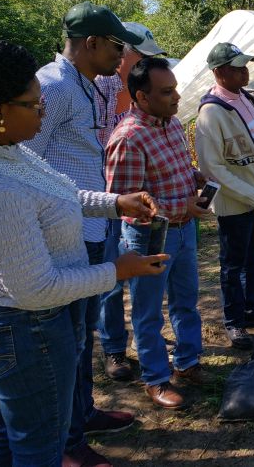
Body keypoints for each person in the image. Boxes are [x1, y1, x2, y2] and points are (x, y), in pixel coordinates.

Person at [0, 40, 168, 466]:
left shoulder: (12, 153)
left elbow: (61, 192)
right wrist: (117, 271)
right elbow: (37, 289)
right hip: (30, 328)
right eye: (33, 105)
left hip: (24, 327)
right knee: (38, 446)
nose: (42, 112)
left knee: (7, 435)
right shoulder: (3, 188)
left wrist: (114, 202)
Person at [22, 1, 145, 467]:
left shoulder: (86, 86)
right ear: (91, 43)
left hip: (95, 223)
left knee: (82, 334)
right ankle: (69, 443)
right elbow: (25, 163)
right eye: (117, 46)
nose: (121, 55)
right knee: (67, 342)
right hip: (66, 233)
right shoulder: (52, 87)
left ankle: (83, 414)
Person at [105, 57, 209, 409]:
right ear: (142, 97)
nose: (177, 96)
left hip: (184, 230)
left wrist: (193, 176)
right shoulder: (128, 139)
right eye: (167, 92)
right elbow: (125, 205)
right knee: (148, 312)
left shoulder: (172, 123)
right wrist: (183, 207)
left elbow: (177, 165)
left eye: (175, 88)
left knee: (186, 300)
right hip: (149, 237)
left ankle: (187, 361)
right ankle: (155, 378)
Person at [195, 42, 254, 351]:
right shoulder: (210, 113)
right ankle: (234, 322)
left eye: (245, 65)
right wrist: (252, 196)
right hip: (236, 203)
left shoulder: (243, 97)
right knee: (233, 264)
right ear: (219, 73)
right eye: (237, 67)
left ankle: (250, 308)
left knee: (252, 256)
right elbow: (213, 168)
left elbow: (248, 142)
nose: (245, 71)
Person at [95, 23, 168, 382]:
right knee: (111, 274)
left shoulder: (138, 94)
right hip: (100, 194)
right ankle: (113, 350)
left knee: (128, 268)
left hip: (125, 192)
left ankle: (141, 342)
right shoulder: (98, 84)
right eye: (142, 55)